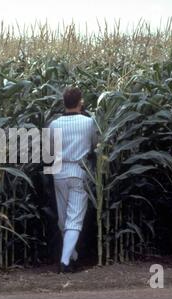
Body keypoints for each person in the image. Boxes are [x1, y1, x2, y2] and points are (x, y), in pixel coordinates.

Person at [48, 87, 97, 273]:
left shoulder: (54, 124)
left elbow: (50, 149)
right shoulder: (89, 123)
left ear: (64, 102)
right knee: (74, 219)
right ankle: (65, 262)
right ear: (80, 102)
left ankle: (72, 255)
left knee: (63, 219)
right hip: (79, 170)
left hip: (59, 171)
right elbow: (94, 145)